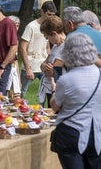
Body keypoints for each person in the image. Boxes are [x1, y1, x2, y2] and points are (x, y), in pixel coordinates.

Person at [50, 32, 101, 169]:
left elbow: (54, 106)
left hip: (71, 133)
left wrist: (54, 90)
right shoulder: (99, 75)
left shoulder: (67, 80)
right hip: (96, 132)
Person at [19, 1, 57, 98]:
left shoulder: (49, 27)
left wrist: (50, 62)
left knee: (48, 91)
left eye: (53, 15)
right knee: (21, 93)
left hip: (43, 64)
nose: (50, 17)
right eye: (48, 14)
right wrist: (28, 68)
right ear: (42, 12)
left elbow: (47, 46)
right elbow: (22, 47)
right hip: (30, 64)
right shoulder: (31, 26)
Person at [39, 15, 66, 108]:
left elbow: (52, 71)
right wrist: (44, 66)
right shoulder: (55, 46)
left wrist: (46, 68)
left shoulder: (65, 46)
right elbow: (43, 65)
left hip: (59, 89)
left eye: (47, 37)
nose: (48, 40)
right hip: (50, 87)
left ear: (54, 33)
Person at [6, 15, 21, 99]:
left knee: (15, 97)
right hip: (4, 70)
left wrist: (18, 79)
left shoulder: (16, 40)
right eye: (14, 24)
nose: (16, 27)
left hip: (13, 70)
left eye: (18, 25)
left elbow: (16, 60)